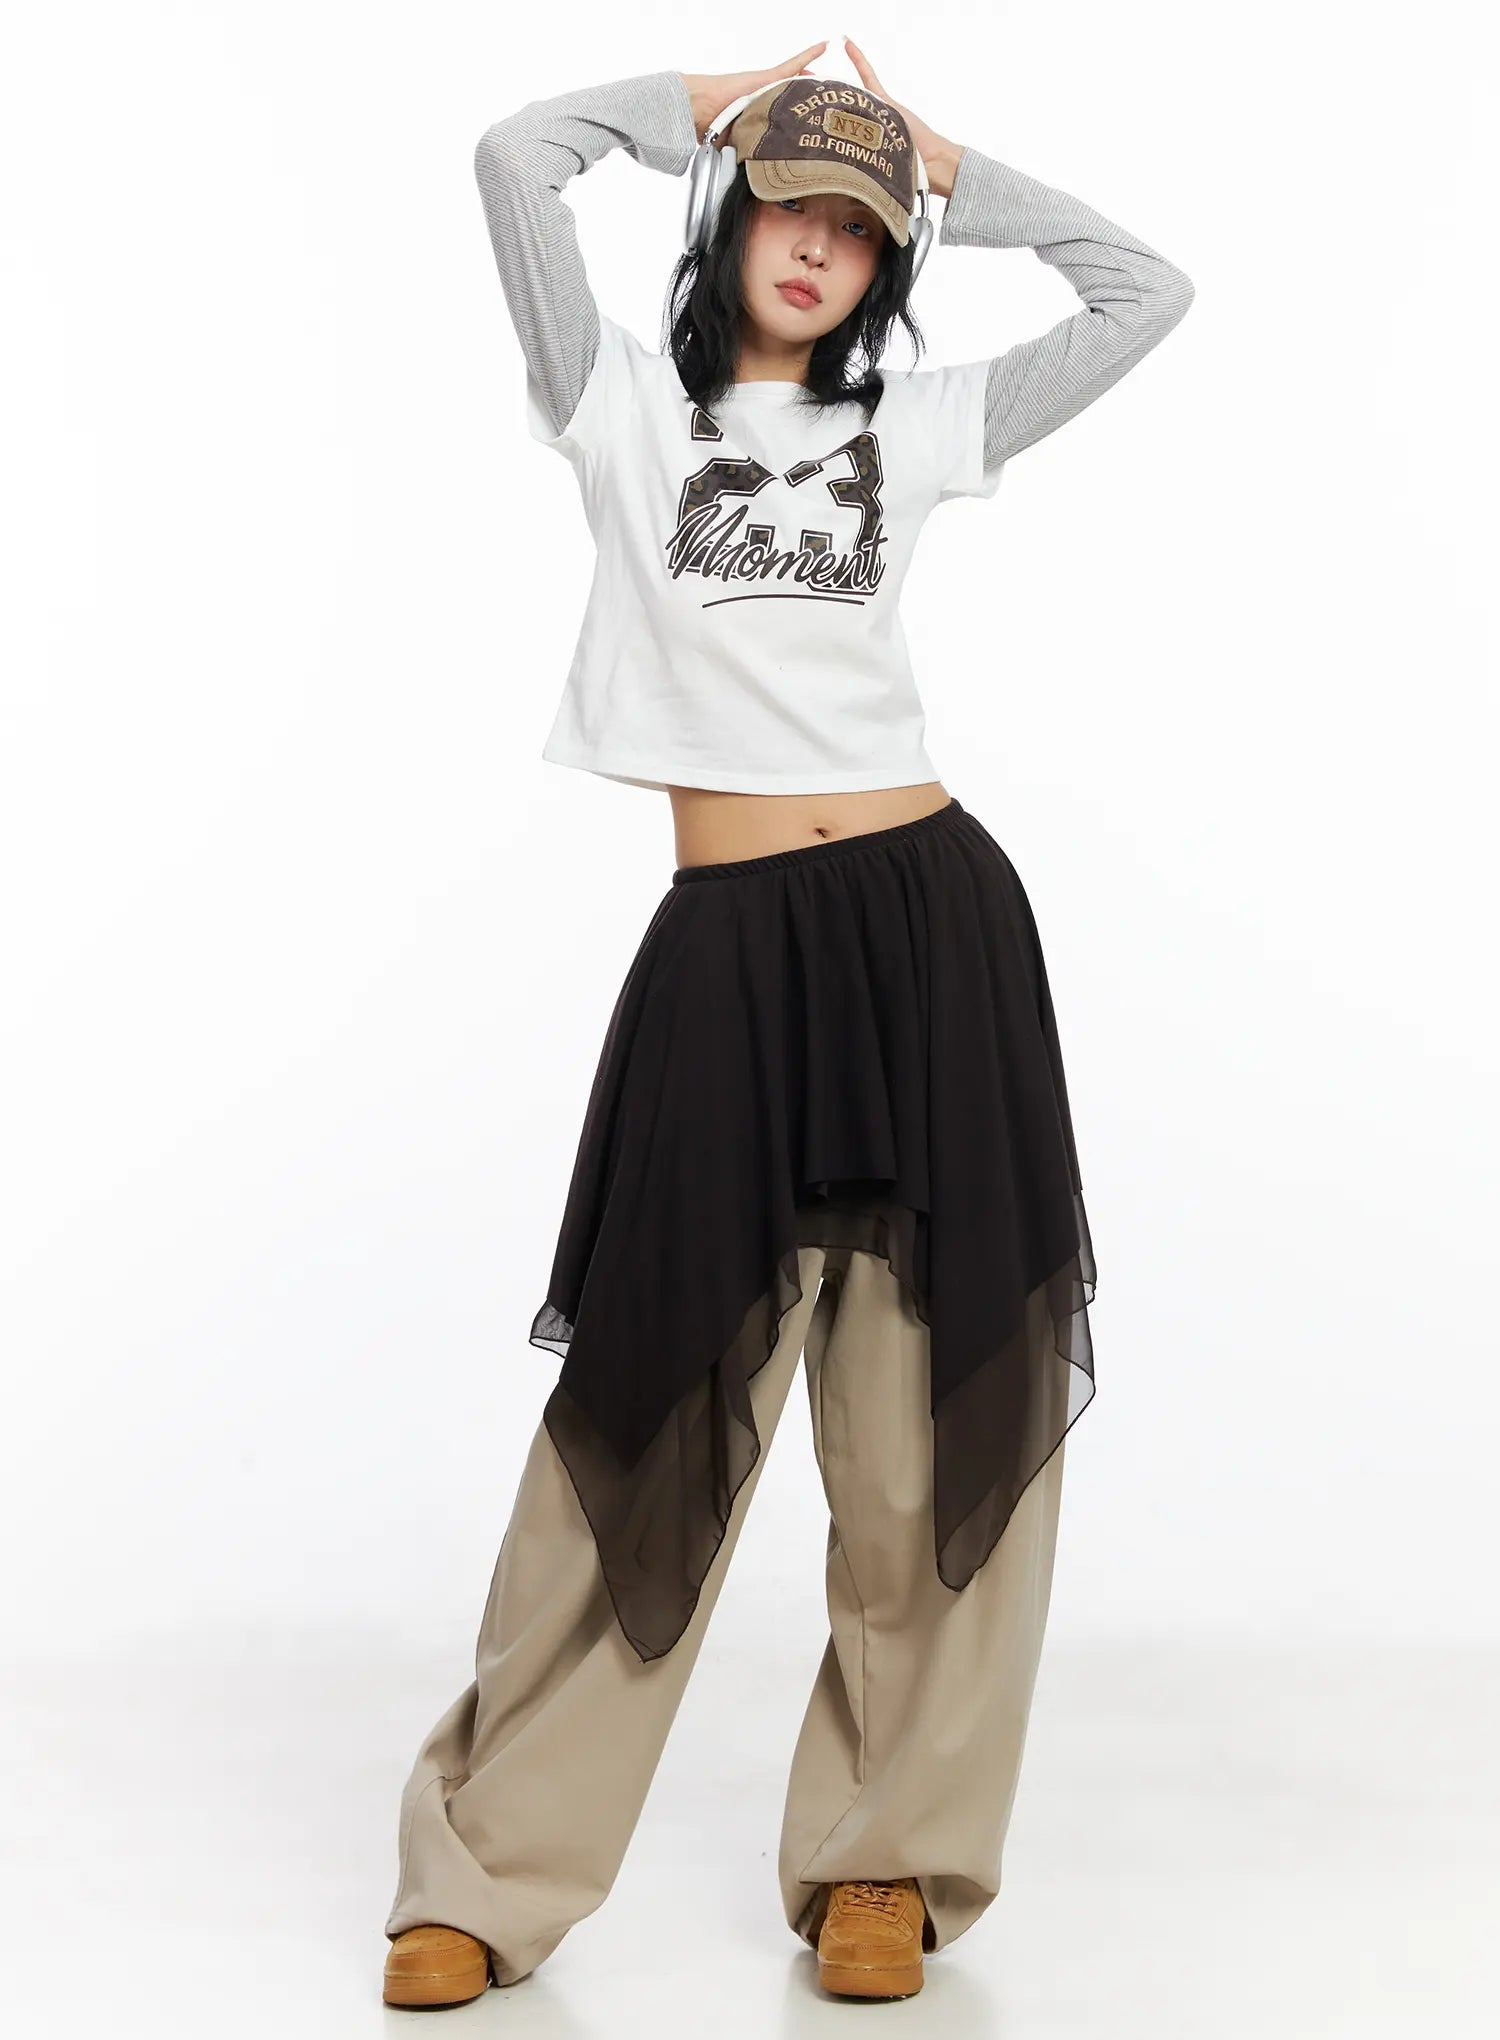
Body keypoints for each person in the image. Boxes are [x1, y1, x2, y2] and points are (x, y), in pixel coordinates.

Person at [381, 39, 1193, 2009]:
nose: (819, 244)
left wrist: (949, 165)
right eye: (791, 207)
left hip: (931, 927)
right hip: (733, 948)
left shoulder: (924, 421)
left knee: (923, 1420)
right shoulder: (615, 405)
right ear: (731, 216)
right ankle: (485, 1872)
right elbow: (512, 157)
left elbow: (1143, 292)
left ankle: (882, 1865)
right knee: (648, 1400)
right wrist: (704, 104)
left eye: (858, 225)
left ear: (889, 260)